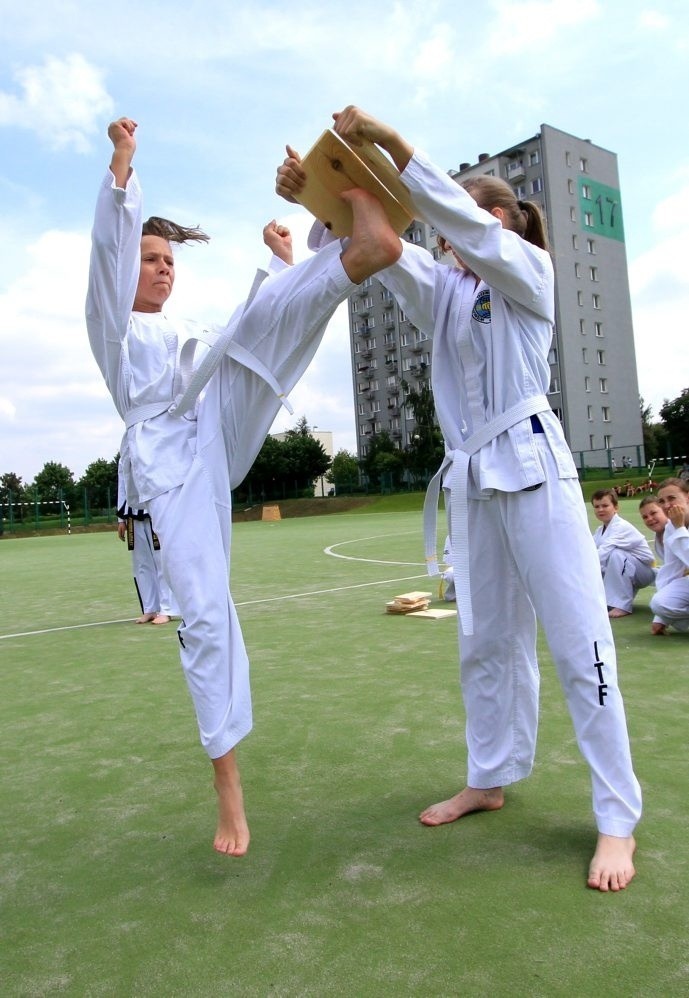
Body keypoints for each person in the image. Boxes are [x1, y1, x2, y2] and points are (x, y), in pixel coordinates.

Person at [276, 106, 641, 891]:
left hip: (534, 467)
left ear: (509, 223)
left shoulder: (528, 276)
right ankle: (489, 775)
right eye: (451, 227)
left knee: (580, 642)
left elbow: (464, 229)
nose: (456, 236)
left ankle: (616, 818)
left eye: (477, 217)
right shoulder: (442, 291)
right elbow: (370, 243)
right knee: (485, 641)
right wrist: (320, 193)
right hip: (473, 479)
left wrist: (396, 146)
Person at [87, 116, 401, 857]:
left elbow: (246, 330)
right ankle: (227, 787)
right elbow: (105, 257)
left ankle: (354, 248)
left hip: (213, 408)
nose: (164, 269)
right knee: (202, 612)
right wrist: (122, 170)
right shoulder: (112, 328)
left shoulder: (185, 322)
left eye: (170, 259)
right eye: (152, 258)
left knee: (259, 327)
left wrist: (286, 257)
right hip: (169, 457)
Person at [117, 452, 178, 624]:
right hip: (131, 515)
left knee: (161, 561)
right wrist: (120, 519)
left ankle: (166, 609)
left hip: (155, 512)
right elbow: (122, 484)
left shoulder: (153, 446)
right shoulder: (125, 454)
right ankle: (149, 608)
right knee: (141, 564)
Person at [591, 488, 655, 617]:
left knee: (615, 554)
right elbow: (591, 552)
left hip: (644, 572)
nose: (600, 509)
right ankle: (609, 600)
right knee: (602, 562)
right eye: (597, 506)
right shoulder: (599, 531)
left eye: (605, 505)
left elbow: (601, 554)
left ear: (616, 508)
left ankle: (622, 605)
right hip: (628, 569)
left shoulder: (621, 527)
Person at [649, 478, 689, 634]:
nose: (666, 505)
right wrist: (661, 617)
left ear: (687, 497)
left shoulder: (676, 526)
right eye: (661, 501)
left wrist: (680, 529)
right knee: (659, 604)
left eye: (672, 498)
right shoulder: (670, 527)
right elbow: (671, 570)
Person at [638, 496, 670, 635]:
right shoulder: (659, 538)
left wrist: (661, 619)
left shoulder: (676, 531)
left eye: (653, 513)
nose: (649, 519)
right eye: (645, 517)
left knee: (659, 604)